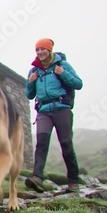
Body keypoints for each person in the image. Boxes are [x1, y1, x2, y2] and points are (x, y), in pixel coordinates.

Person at [24, 38, 83, 193]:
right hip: (43, 111)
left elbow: (78, 84)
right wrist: (30, 83)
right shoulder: (34, 71)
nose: (40, 52)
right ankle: (37, 177)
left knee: (66, 143)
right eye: (37, 50)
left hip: (62, 108)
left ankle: (73, 181)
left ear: (49, 50)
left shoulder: (62, 65)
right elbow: (29, 95)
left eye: (42, 49)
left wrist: (62, 74)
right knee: (41, 143)